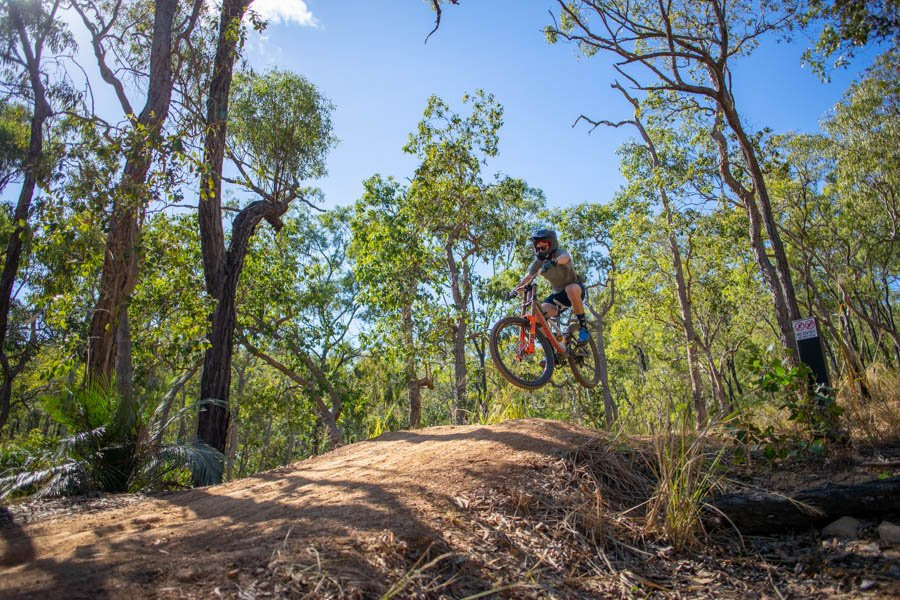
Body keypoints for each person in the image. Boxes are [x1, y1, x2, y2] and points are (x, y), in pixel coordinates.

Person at [511, 228, 590, 343]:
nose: (540, 251)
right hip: (558, 296)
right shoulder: (539, 261)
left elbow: (566, 258)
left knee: (570, 288)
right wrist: (515, 290)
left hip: (575, 289)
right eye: (538, 248)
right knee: (539, 314)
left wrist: (554, 262)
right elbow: (528, 277)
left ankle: (583, 328)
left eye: (543, 248)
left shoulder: (559, 253)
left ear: (552, 244)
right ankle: (551, 349)